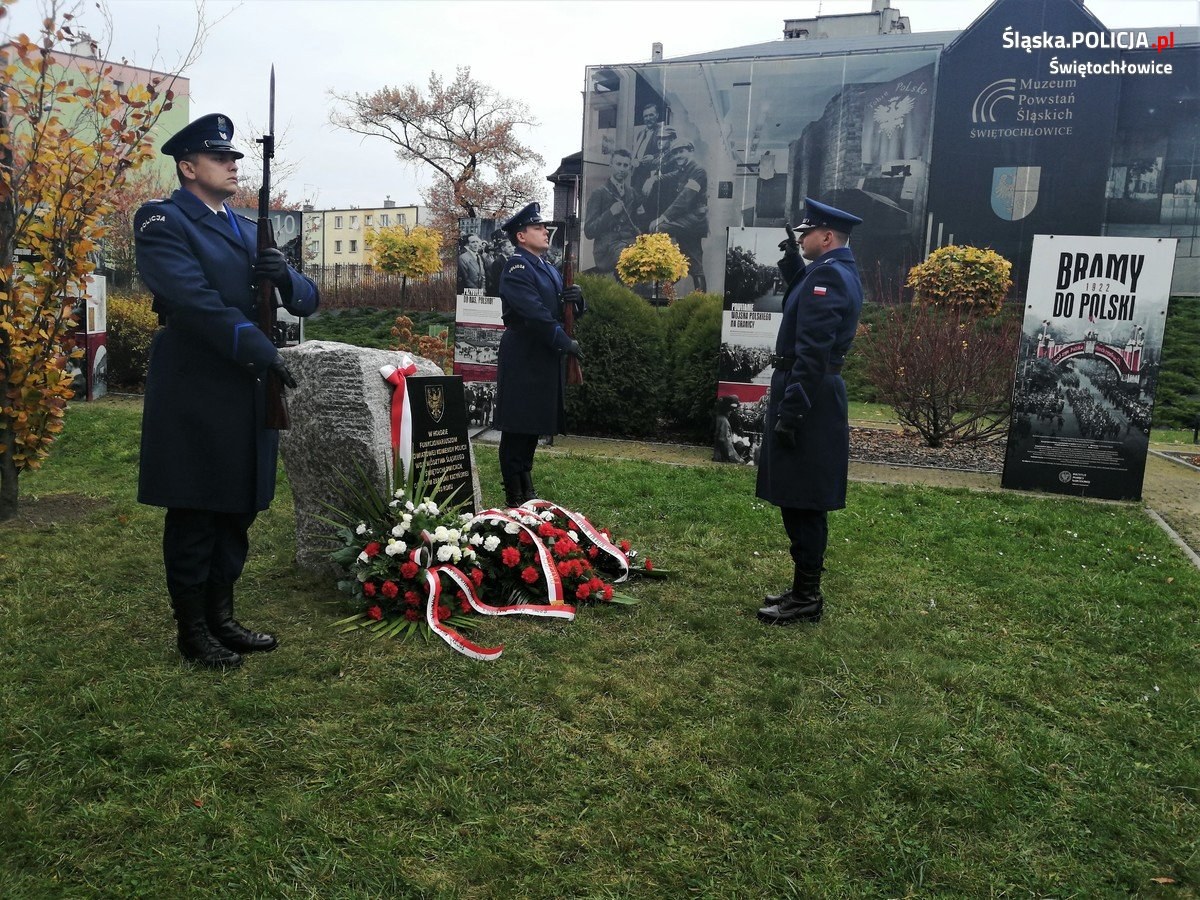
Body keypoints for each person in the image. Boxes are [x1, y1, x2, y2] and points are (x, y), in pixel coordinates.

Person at [134, 113, 320, 668]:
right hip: (198, 379)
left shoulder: (244, 227)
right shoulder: (162, 220)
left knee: (238, 503)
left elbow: (308, 300)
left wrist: (283, 275)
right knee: (196, 505)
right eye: (220, 157)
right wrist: (258, 347)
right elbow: (190, 300)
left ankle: (222, 617)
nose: (233, 164)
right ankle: (192, 630)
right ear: (188, 167)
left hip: (245, 382)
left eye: (235, 157)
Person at [756, 198, 863, 626]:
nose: (800, 239)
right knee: (798, 497)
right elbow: (811, 314)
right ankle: (803, 589)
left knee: (804, 501)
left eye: (806, 233)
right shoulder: (832, 271)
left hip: (810, 397)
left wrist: (793, 411)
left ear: (827, 236)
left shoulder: (830, 277)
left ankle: (806, 597)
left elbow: (813, 350)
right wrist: (792, 269)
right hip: (812, 393)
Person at [493, 202, 585, 507]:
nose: (545, 231)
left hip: (542, 354)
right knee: (518, 426)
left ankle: (528, 490)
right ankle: (514, 494)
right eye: (538, 228)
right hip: (524, 354)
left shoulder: (546, 268)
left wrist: (577, 300)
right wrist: (563, 341)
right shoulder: (517, 267)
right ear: (521, 236)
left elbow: (560, 311)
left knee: (531, 426)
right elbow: (534, 314)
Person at [648, 140, 709, 293]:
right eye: (675, 153)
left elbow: (685, 198)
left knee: (659, 228)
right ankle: (699, 298)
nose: (678, 155)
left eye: (681, 151)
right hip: (688, 222)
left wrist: (663, 217)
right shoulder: (683, 170)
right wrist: (653, 178)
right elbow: (669, 176)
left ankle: (668, 274)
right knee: (695, 262)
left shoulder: (698, 171)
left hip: (694, 220)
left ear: (690, 151)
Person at [584, 149, 641, 276]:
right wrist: (610, 213)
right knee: (631, 261)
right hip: (606, 248)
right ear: (611, 165)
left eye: (625, 165)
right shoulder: (599, 193)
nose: (622, 168)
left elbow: (638, 219)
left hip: (628, 242)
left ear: (630, 168)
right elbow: (589, 231)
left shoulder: (632, 192)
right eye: (618, 164)